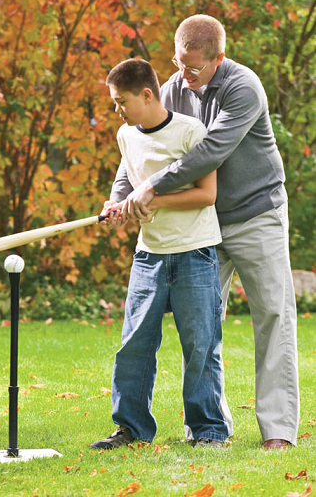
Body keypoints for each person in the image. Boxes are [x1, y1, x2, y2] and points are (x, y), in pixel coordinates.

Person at [107, 14, 299, 450]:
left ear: (219, 59)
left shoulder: (243, 87)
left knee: (272, 315)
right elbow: (142, 148)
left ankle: (279, 431)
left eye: (194, 69)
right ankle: (211, 427)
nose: (185, 76)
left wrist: (152, 188)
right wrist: (123, 194)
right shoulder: (174, 87)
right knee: (203, 326)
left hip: (255, 213)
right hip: (204, 229)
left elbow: (211, 151)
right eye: (178, 65)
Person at [91, 58, 229, 450]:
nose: (117, 109)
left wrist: (157, 201)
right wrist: (118, 203)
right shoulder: (126, 135)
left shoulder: (190, 132)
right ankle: (131, 428)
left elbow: (207, 194)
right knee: (134, 345)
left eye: (121, 101)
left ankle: (208, 431)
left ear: (147, 94)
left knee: (200, 345)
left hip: (194, 252)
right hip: (148, 255)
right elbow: (127, 177)